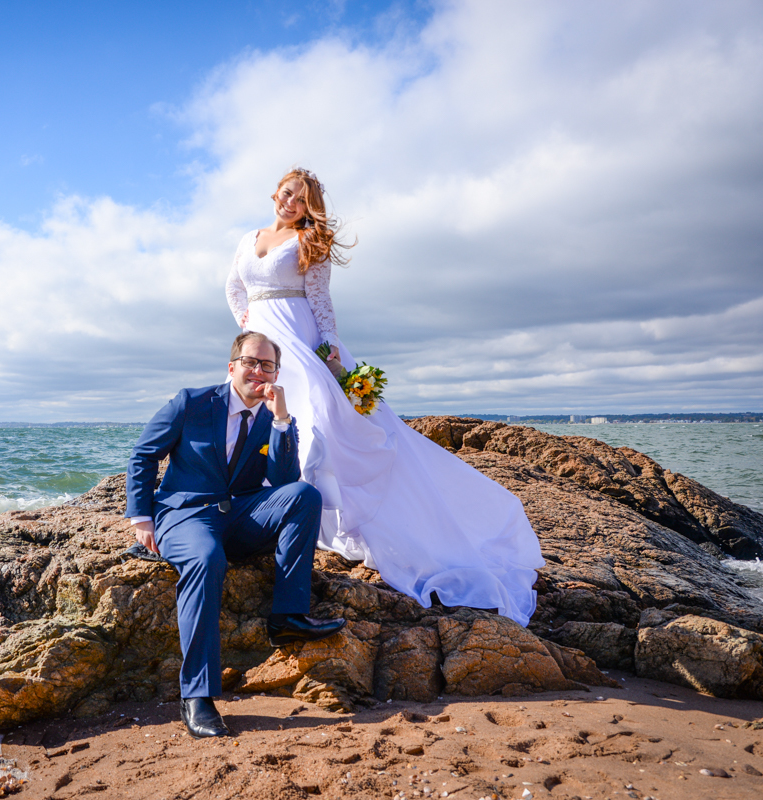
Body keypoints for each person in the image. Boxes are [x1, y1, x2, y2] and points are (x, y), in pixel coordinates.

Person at [225, 168, 545, 628]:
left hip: (298, 338)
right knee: (259, 422)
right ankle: (281, 514)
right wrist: (248, 325)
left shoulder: (309, 241)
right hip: (262, 339)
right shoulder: (248, 237)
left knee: (319, 425)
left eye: (301, 199)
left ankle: (303, 517)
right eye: (287, 193)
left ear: (309, 206)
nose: (291, 202)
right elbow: (234, 287)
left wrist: (330, 344)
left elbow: (320, 299)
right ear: (276, 192)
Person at [126, 331, 347, 739]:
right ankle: (197, 695)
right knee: (208, 559)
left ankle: (287, 617)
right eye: (250, 362)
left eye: (267, 365)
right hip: (185, 515)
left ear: (276, 373)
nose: (258, 371)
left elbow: (283, 480)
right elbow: (143, 455)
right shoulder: (190, 403)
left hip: (240, 514)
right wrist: (141, 518)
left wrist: (282, 421)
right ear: (232, 367)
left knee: (303, 496)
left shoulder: (271, 415)